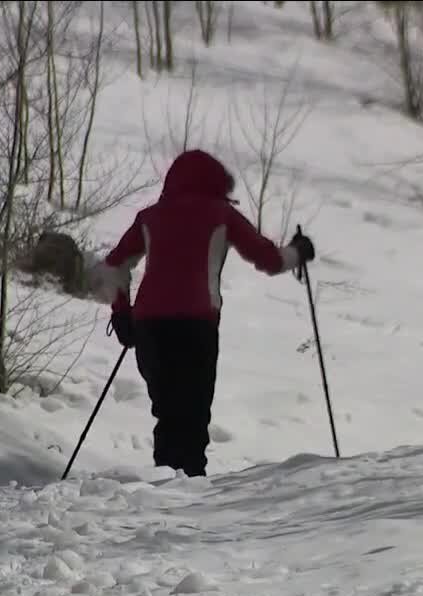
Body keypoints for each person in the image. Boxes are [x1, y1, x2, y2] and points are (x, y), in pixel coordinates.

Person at [88, 148, 316, 478]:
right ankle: (189, 492)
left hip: (149, 327)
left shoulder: (150, 217)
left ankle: (166, 485)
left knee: (167, 414)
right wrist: (299, 251)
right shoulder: (221, 214)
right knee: (193, 416)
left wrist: (122, 312)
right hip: (196, 326)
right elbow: (269, 259)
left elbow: (113, 266)